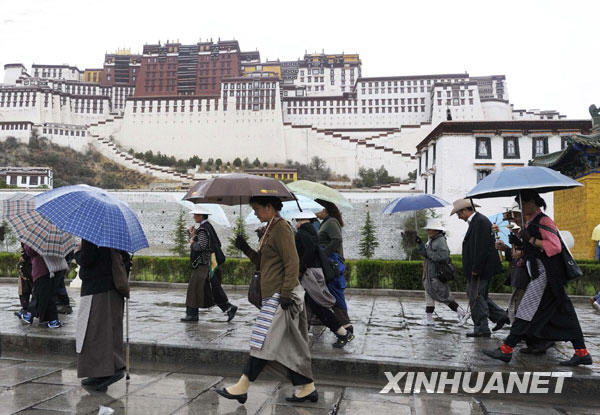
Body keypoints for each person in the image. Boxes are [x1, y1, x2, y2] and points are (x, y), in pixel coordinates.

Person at [215, 196, 318, 404]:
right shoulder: (269, 229)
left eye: (257, 209)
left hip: (281, 296)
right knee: (284, 346)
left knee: (262, 341)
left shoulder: (281, 228)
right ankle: (308, 387)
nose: (255, 213)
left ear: (270, 207)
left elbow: (292, 262)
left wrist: (287, 293)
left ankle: (242, 387)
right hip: (274, 295)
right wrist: (244, 247)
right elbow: (262, 263)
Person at [484, 191, 592, 366]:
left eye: (523, 204)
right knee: (566, 313)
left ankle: (506, 349)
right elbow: (532, 250)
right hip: (545, 276)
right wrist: (520, 243)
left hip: (545, 276)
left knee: (526, 309)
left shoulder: (543, 220)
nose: (521, 208)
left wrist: (531, 239)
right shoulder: (531, 222)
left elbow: (554, 246)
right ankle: (582, 352)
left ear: (532, 202)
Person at [292, 210, 354, 348]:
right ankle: (340, 332)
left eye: (296, 220)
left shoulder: (302, 235)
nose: (295, 223)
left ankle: (343, 333)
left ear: (301, 220)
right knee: (311, 306)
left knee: (318, 306)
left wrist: (300, 270)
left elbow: (307, 254)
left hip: (309, 275)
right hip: (314, 273)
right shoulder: (312, 232)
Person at [75, 239, 128, 390]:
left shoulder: (91, 235)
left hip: (97, 290)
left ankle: (110, 371)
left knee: (94, 332)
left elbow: (87, 260)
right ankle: (98, 373)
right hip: (111, 288)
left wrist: (77, 253)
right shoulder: (112, 234)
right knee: (104, 331)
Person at [451, 199, 508, 338]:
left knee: (475, 296)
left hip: (481, 269)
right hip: (480, 268)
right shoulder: (477, 221)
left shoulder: (480, 222)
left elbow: (480, 248)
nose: (458, 217)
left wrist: (476, 268)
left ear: (465, 211)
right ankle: (501, 316)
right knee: (479, 295)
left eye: (459, 214)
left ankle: (481, 327)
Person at [181, 206, 237, 322]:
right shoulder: (207, 227)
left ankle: (192, 315)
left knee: (195, 288)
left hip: (203, 264)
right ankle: (228, 307)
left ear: (201, 216)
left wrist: (191, 242)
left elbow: (201, 246)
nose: (194, 217)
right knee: (210, 289)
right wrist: (191, 235)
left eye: (196, 215)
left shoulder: (203, 229)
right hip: (209, 262)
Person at [416, 219, 467, 325]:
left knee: (443, 295)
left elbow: (443, 256)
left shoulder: (440, 241)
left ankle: (462, 312)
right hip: (429, 274)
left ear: (436, 230)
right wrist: (420, 243)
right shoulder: (431, 240)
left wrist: (429, 253)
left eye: (430, 229)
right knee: (429, 295)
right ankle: (429, 319)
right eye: (428, 229)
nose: (428, 231)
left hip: (435, 274)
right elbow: (425, 253)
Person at [315, 199, 352, 334]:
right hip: (330, 262)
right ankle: (342, 325)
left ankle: (347, 327)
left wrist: (324, 254)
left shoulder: (331, 222)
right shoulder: (325, 222)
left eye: (316, 208)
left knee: (336, 293)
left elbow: (337, 240)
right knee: (331, 293)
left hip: (333, 263)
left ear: (324, 210)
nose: (315, 211)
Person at [20, 244, 62, 328]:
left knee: (38, 294)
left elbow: (31, 251)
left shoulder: (38, 238)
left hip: (41, 270)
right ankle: (51, 320)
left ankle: (30, 315)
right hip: (51, 269)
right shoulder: (51, 237)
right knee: (48, 295)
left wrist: (26, 245)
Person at [15, 244, 33, 319]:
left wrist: (24, 256)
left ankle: (25, 310)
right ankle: (27, 309)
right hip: (32, 267)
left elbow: (29, 249)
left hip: (27, 268)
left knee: (24, 289)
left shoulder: (28, 238)